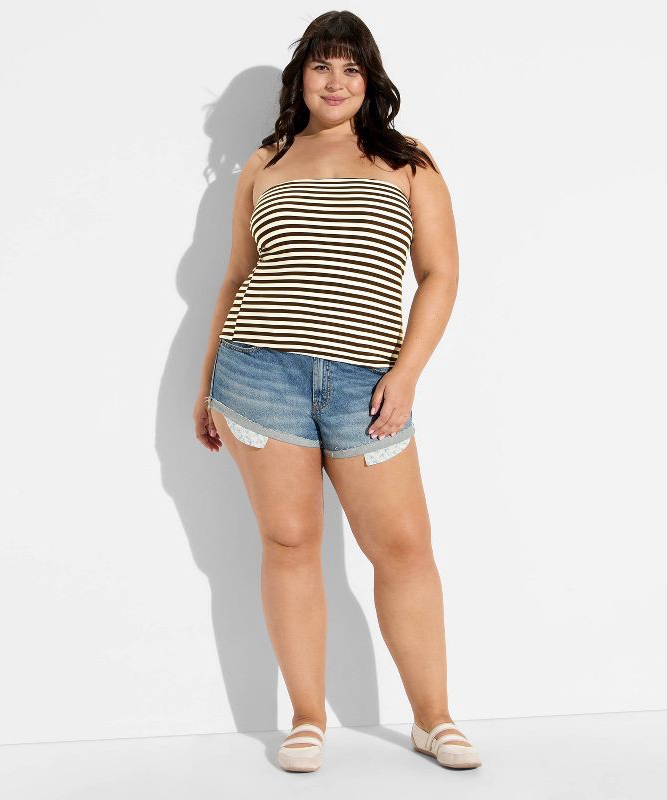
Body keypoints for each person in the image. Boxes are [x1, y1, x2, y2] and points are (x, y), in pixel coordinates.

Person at [193, 10, 482, 773]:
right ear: (302, 78)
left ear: (369, 80)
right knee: (289, 543)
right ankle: (307, 718)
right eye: (322, 65)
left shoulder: (407, 160)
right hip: (260, 372)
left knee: (404, 548)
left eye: (351, 68)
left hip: (367, 381)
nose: (336, 80)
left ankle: (434, 718)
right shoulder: (265, 161)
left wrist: (406, 373)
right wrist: (205, 382)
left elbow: (440, 274)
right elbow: (235, 278)